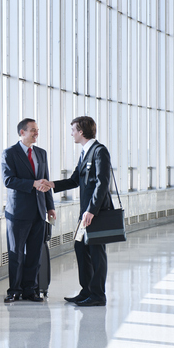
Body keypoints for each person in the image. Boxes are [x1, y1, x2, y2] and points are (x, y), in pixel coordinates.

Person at [44, 116, 113, 307]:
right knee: (80, 248)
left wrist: (91, 210)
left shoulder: (99, 152)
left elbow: (102, 183)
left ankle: (98, 295)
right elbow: (75, 180)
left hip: (96, 213)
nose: (71, 133)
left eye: (73, 129)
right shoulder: (85, 152)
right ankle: (87, 290)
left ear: (81, 132)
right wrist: (52, 185)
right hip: (86, 214)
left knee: (97, 253)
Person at [2, 118, 56, 303]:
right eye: (33, 130)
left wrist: (50, 207)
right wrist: (33, 184)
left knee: (35, 253)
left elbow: (46, 180)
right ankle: (14, 291)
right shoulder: (10, 153)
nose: (36, 133)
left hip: (39, 212)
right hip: (18, 213)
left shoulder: (41, 153)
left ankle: (30, 290)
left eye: (37, 130)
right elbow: (9, 180)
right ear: (22, 132)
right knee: (16, 253)